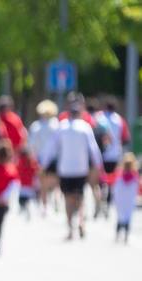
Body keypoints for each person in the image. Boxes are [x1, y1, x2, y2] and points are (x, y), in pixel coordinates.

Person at [44, 92, 103, 240]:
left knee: (68, 198)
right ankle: (81, 222)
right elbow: (93, 149)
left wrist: (43, 164)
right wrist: (98, 165)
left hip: (65, 169)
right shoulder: (85, 127)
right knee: (80, 197)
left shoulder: (61, 127)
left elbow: (52, 148)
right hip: (81, 169)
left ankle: (71, 228)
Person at [28, 99, 60, 215]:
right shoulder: (57, 125)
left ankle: (45, 206)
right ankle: (57, 200)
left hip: (41, 158)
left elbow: (31, 145)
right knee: (56, 182)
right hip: (55, 158)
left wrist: (33, 156)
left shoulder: (36, 126)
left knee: (43, 184)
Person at [114, 152, 138, 243]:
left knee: (120, 218)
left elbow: (116, 189)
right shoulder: (134, 177)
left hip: (121, 201)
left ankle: (118, 235)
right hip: (129, 201)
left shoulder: (119, 176)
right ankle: (126, 237)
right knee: (128, 218)